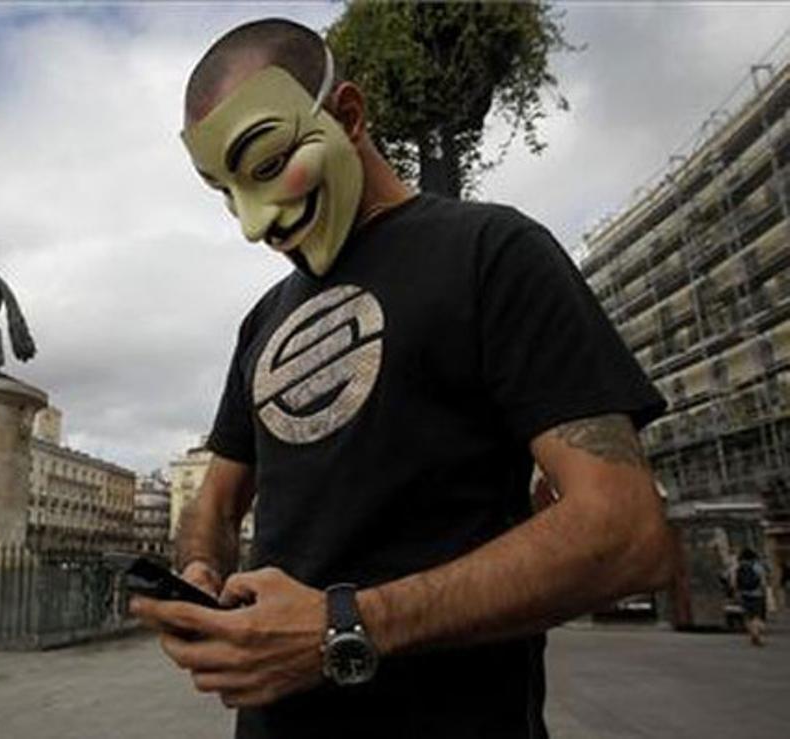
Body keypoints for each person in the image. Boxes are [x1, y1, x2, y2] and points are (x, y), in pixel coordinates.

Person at [130, 18, 675, 739]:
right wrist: (197, 572)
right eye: (226, 193)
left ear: (349, 116)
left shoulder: (494, 254)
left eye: (264, 166)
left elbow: (626, 530)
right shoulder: (262, 320)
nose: (252, 224)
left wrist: (345, 626)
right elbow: (218, 501)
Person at [733, 547, 768, 646]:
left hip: (744, 594)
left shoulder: (738, 567)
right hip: (757, 594)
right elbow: (763, 582)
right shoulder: (758, 566)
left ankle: (753, 633)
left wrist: (737, 592)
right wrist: (764, 592)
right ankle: (756, 633)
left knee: (747, 616)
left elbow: (734, 582)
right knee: (756, 616)